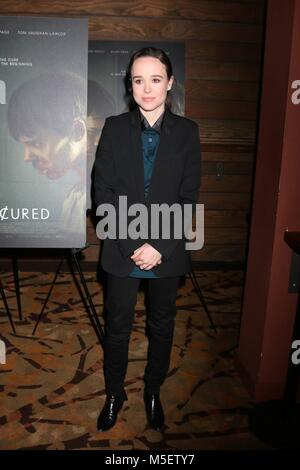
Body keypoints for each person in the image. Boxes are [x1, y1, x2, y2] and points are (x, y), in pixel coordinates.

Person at [94, 46, 201, 432]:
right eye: (139, 80)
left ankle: (152, 392)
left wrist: (159, 246)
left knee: (161, 325)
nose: (147, 88)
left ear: (169, 83)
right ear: (130, 85)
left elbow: (188, 199)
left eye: (156, 79)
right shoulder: (113, 127)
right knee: (117, 325)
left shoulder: (188, 132)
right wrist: (129, 245)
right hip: (121, 248)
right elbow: (102, 193)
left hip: (167, 250)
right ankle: (113, 393)